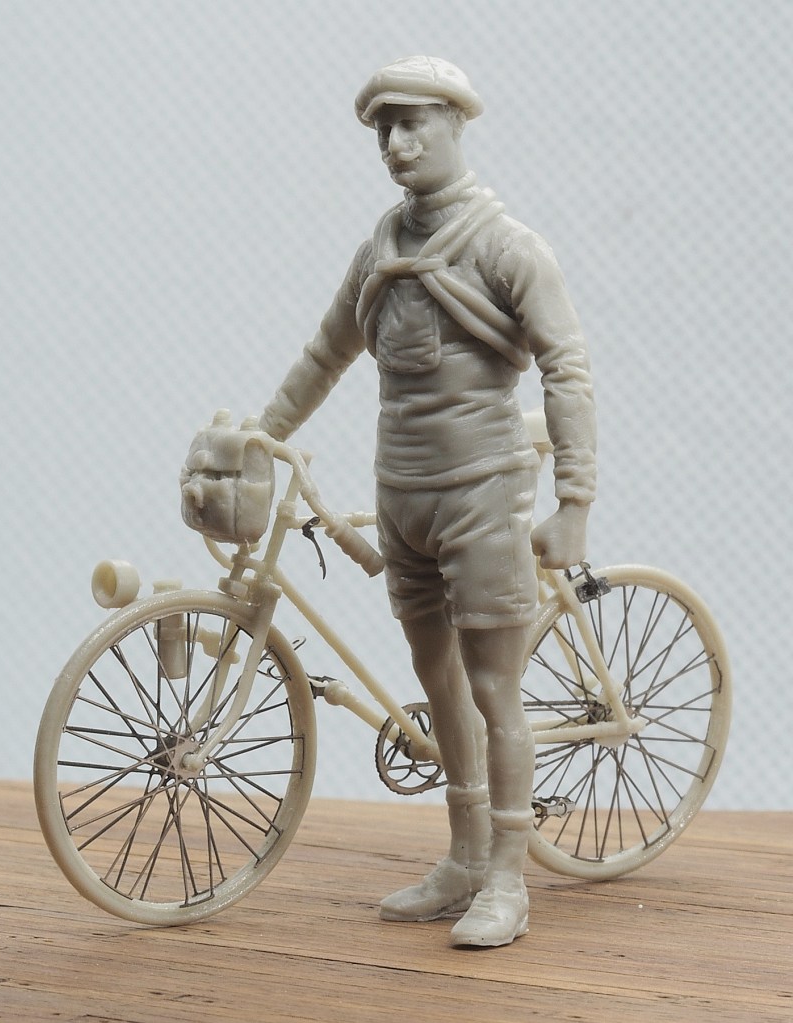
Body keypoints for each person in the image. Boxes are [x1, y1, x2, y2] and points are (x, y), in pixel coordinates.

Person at [255, 56, 596, 947]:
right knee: (436, 679)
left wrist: (574, 501)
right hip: (401, 494)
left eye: (413, 124)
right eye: (384, 130)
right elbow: (326, 353)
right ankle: (465, 854)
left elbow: (566, 368)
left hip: (482, 492)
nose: (396, 144)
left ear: (454, 123)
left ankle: (509, 877)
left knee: (493, 687)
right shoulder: (381, 247)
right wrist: (263, 433)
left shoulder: (506, 246)